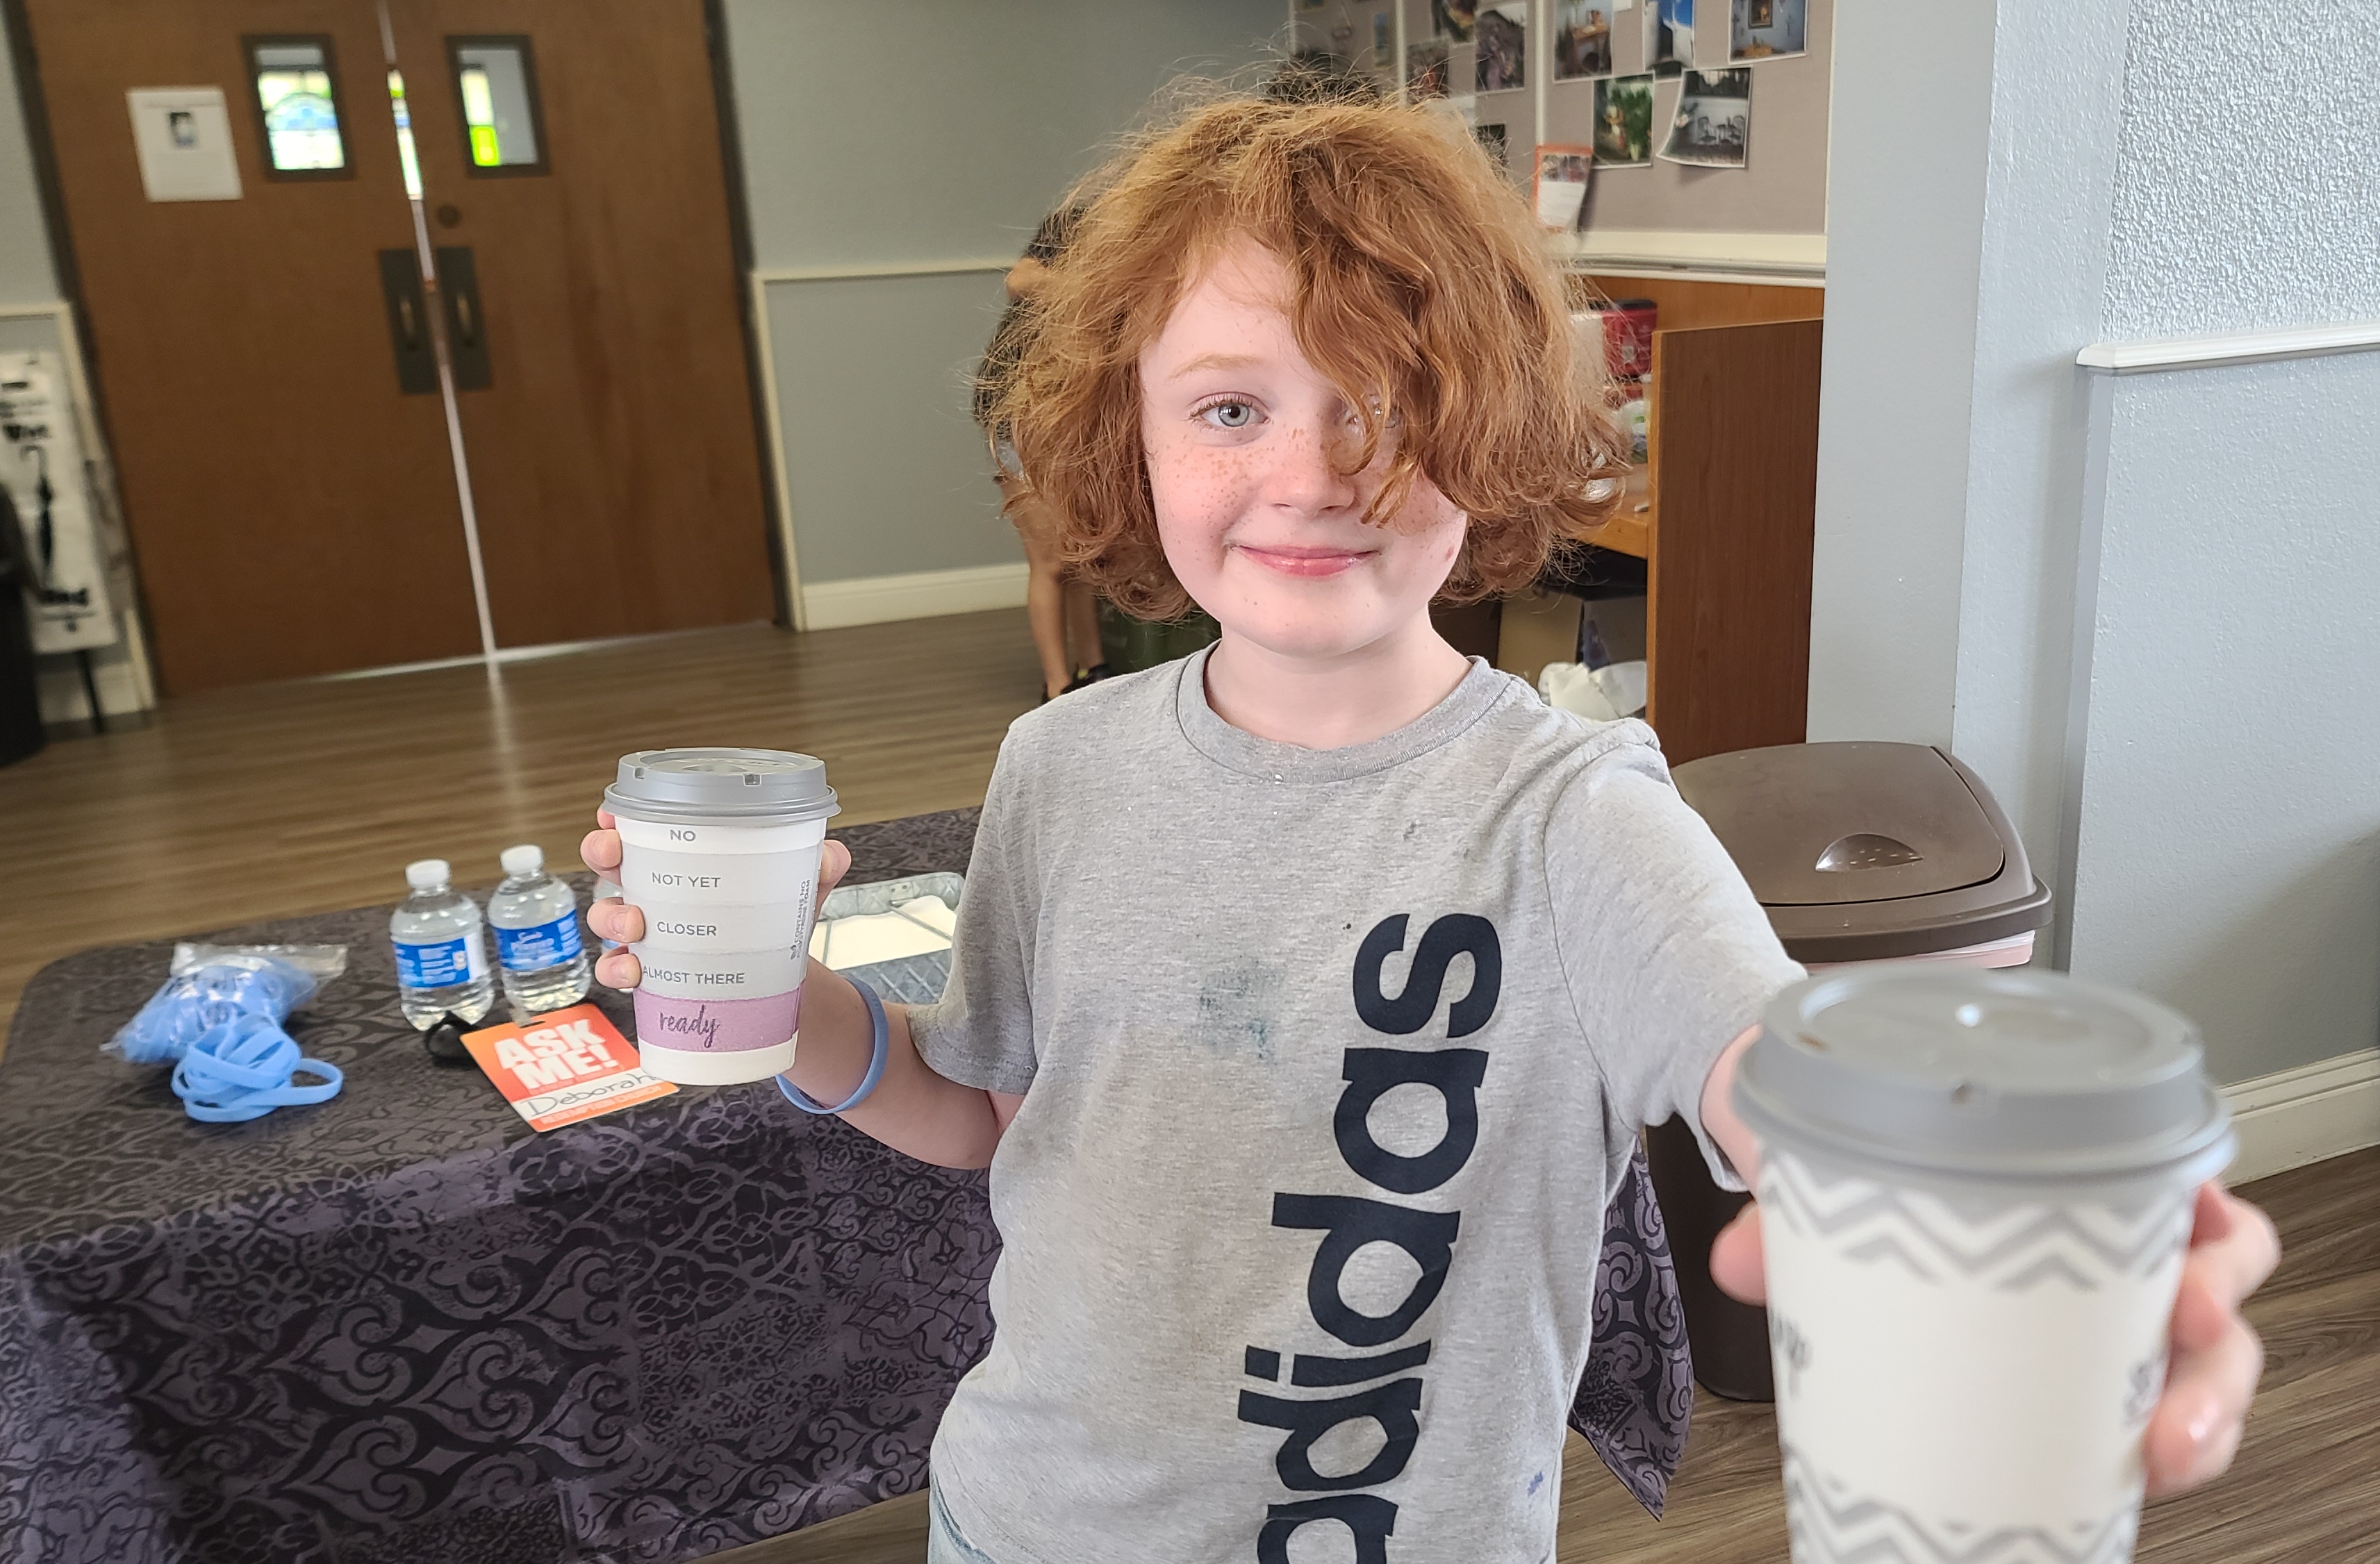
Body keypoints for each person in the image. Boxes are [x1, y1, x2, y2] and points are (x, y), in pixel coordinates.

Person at [584, 89, 2279, 1564]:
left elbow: (1781, 1082)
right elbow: (980, 1108)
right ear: (1129, 434)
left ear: (1482, 425)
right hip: (1029, 1517)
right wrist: (789, 1003)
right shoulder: (1059, 764)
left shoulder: (1574, 816)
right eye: (1229, 407)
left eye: (1385, 399)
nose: (1312, 471)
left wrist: (1974, 1224)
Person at [978, 206, 1100, 699]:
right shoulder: (1077, 223)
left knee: (1083, 558)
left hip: (1073, 420)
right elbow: (1021, 279)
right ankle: (1057, 685)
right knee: (1049, 560)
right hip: (1019, 417)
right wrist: (1099, 287)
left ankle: (1095, 668)